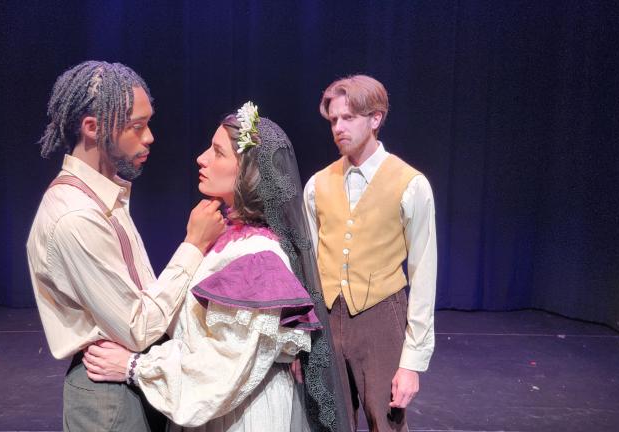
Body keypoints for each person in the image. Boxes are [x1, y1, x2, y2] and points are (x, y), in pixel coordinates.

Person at [83, 102, 354, 431]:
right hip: (218, 409)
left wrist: (134, 367)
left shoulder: (258, 258)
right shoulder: (225, 238)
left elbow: (224, 365)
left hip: (243, 414)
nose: (202, 158)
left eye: (218, 152)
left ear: (249, 173)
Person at [25, 60, 226, 432]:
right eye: (137, 126)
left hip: (133, 377)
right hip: (108, 394)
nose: (149, 137)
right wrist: (194, 244)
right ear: (92, 128)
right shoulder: (76, 217)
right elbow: (135, 327)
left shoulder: (104, 196)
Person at [303, 75, 438, 432]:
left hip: (381, 317)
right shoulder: (317, 185)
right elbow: (309, 267)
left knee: (387, 424)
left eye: (348, 118)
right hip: (328, 318)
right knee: (331, 423)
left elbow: (424, 272)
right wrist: (302, 334)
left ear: (375, 118)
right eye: (333, 120)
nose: (338, 128)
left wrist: (412, 362)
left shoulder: (410, 184)